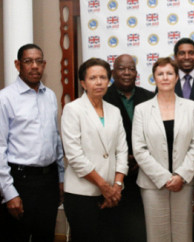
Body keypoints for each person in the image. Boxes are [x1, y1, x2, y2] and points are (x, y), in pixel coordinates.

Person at [132, 57, 194, 242]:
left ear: (177, 77)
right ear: (154, 78)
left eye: (169, 73)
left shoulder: (191, 107)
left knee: (183, 235)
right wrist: (163, 178)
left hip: (184, 183)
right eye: (160, 74)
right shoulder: (142, 109)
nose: (165, 78)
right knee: (157, 236)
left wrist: (180, 176)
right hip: (152, 184)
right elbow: (139, 149)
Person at [0, 44, 64, 242]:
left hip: (49, 181)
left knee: (45, 236)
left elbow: (56, 140)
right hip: (20, 181)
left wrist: (61, 178)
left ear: (44, 65)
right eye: (28, 61)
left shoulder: (50, 96)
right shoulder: (5, 98)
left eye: (39, 61)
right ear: (18, 64)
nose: (34, 66)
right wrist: (9, 193)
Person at [61, 58, 128, 241]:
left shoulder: (114, 110)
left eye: (103, 77)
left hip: (112, 195)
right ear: (83, 83)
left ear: (109, 81)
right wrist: (104, 186)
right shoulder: (72, 109)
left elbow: (122, 150)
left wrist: (117, 186)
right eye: (92, 78)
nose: (98, 82)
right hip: (82, 194)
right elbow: (74, 156)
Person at [103, 54, 154, 241]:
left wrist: (141, 158)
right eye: (121, 68)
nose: (127, 73)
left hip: (144, 172)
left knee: (139, 228)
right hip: (111, 175)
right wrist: (122, 160)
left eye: (131, 69)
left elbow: (156, 134)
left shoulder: (149, 97)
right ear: (113, 73)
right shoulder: (102, 97)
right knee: (113, 228)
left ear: (136, 72)